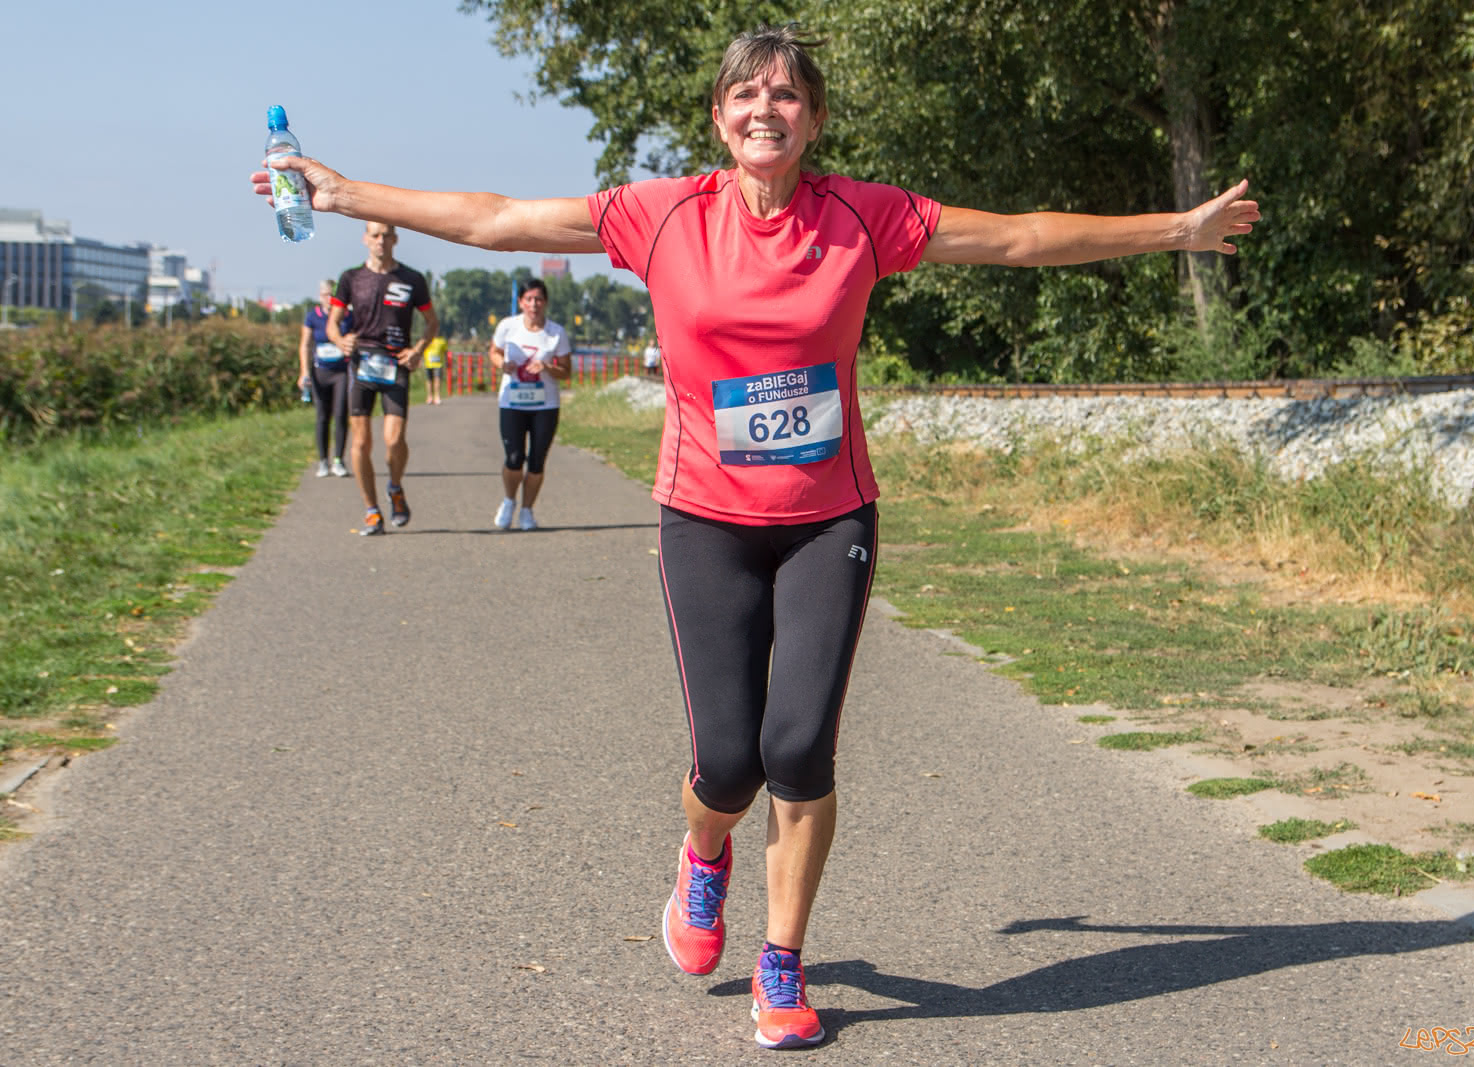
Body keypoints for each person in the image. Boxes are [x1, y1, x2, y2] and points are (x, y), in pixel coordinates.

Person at [252, 23, 1258, 1048]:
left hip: (828, 519)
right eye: (745, 95)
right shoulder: (661, 215)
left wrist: (1176, 227)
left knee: (799, 749)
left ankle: (781, 957)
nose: (764, 109)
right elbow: (503, 218)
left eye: (785, 95)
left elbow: (1021, 237)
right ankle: (703, 857)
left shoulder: (865, 217)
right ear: (719, 119)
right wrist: (345, 196)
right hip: (705, 516)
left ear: (814, 119)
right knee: (727, 764)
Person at [326, 221, 439, 536]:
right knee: (360, 441)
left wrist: (418, 350)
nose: (381, 241)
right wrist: (339, 341)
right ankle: (372, 511)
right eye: (375, 235)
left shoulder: (412, 279)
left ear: (395, 239)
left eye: (386, 235)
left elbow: (432, 322)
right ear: (365, 239)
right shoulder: (350, 279)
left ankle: (395, 487)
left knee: (394, 440)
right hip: (361, 363)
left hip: (395, 364)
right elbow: (333, 324)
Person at [487, 279, 572, 531]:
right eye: (529, 299)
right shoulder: (508, 326)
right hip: (512, 401)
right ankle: (509, 500)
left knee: (536, 461)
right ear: (521, 302)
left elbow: (566, 371)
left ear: (545, 302)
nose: (534, 304)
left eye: (538, 299)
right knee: (514, 457)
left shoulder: (556, 332)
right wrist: (502, 364)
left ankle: (527, 510)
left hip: (545, 405)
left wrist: (547, 367)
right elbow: (493, 352)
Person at [298, 279, 352, 478]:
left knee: (340, 414)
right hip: (320, 372)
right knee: (322, 416)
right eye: (326, 295)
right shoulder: (313, 317)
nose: (329, 299)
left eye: (333, 295)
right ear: (320, 296)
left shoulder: (347, 317)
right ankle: (323, 461)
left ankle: (338, 460)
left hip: (342, 371)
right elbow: (305, 345)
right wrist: (304, 372)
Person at [422, 334, 448, 404]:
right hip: (428, 363)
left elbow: (445, 352)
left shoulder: (442, 340)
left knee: (438, 379)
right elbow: (422, 349)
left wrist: (447, 362)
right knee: (429, 380)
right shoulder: (426, 339)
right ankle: (429, 397)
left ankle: (437, 396)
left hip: (438, 364)